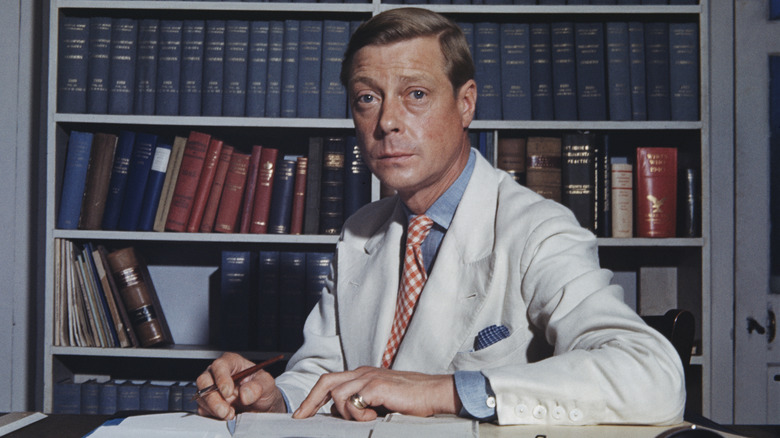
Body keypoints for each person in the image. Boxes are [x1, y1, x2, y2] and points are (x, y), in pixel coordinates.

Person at [196, 7, 685, 426]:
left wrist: (443, 391)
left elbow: (652, 375)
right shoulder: (359, 232)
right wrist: (271, 396)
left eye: (416, 95)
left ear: (465, 102)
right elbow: (325, 373)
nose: (386, 121)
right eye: (368, 97)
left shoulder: (539, 230)